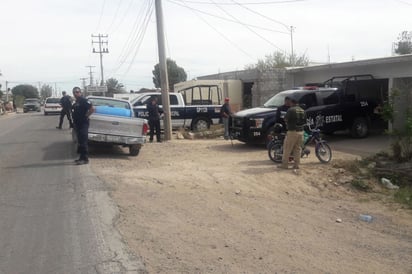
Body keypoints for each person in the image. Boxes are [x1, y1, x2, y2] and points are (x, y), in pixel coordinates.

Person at [278, 97, 306, 170]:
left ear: (292, 103)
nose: (289, 104)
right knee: (297, 149)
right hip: (301, 132)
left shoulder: (291, 110)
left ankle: (284, 165)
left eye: (290, 103)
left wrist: (288, 123)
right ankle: (296, 165)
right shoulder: (302, 110)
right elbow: (304, 121)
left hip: (292, 131)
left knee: (287, 148)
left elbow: (285, 119)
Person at [72, 87, 94, 165]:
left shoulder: (84, 100)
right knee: (80, 142)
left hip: (83, 124)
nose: (75, 93)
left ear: (80, 92)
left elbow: (92, 109)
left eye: (77, 92)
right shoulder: (76, 102)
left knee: (83, 141)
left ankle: (85, 159)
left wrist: (86, 116)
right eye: (74, 92)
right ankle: (81, 158)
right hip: (77, 124)